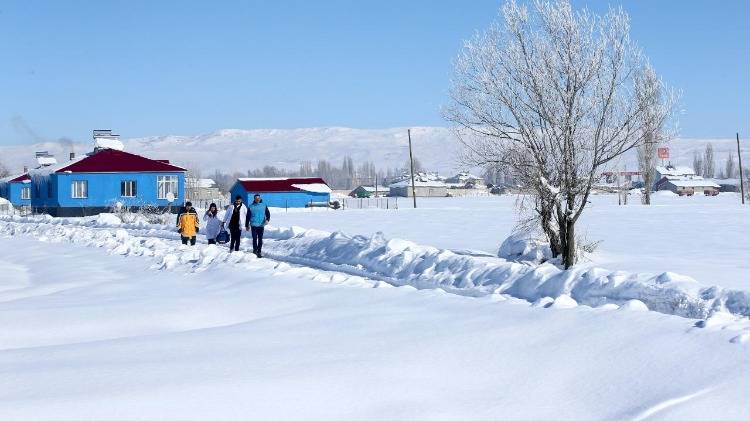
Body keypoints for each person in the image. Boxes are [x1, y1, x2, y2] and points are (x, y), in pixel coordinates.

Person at [246, 193, 270, 257]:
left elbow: (267, 213)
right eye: (256, 198)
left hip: (261, 225)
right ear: (254, 199)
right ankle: (255, 250)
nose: (257, 199)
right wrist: (247, 225)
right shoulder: (251, 206)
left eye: (258, 198)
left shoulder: (264, 205)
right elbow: (248, 216)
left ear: (260, 198)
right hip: (253, 225)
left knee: (260, 239)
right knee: (254, 238)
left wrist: (267, 219)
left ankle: (259, 251)